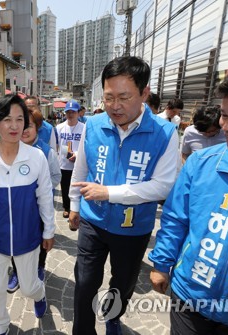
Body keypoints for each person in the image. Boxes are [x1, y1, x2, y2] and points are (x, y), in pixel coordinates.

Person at [149, 58, 228, 335]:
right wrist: (162, 263)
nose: (225, 125)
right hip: (190, 299)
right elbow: (175, 218)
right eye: (224, 115)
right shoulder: (201, 163)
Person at [68, 56, 179, 335]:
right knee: (84, 282)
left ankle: (113, 318)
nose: (114, 106)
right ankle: (82, 330)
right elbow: (81, 167)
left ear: (144, 93)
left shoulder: (165, 133)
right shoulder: (93, 125)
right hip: (93, 223)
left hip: (133, 228)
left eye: (124, 97)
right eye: (108, 97)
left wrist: (110, 192)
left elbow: (163, 185)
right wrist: (74, 204)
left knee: (123, 283)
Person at [0, 94, 55, 335]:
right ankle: (0, 327)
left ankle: (39, 294)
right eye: (7, 119)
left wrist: (49, 230)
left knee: (28, 287)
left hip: (28, 236)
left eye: (20, 119)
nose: (15, 126)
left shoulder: (36, 157)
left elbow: (45, 197)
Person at [7, 106, 61, 293]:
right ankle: (16, 272)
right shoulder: (10, 149)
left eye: (29, 126)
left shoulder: (46, 152)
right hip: (16, 207)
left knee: (41, 237)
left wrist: (37, 188)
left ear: (38, 127)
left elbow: (56, 176)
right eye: (22, 125)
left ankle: (39, 267)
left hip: (38, 207)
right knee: (16, 236)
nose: (25, 130)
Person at [56, 99, 85, 219]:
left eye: (73, 112)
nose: (70, 114)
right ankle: (67, 208)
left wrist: (77, 154)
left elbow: (86, 146)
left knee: (79, 187)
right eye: (68, 112)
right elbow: (57, 145)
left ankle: (80, 209)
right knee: (65, 187)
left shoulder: (84, 128)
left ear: (78, 113)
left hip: (79, 164)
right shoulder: (59, 127)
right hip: (64, 163)